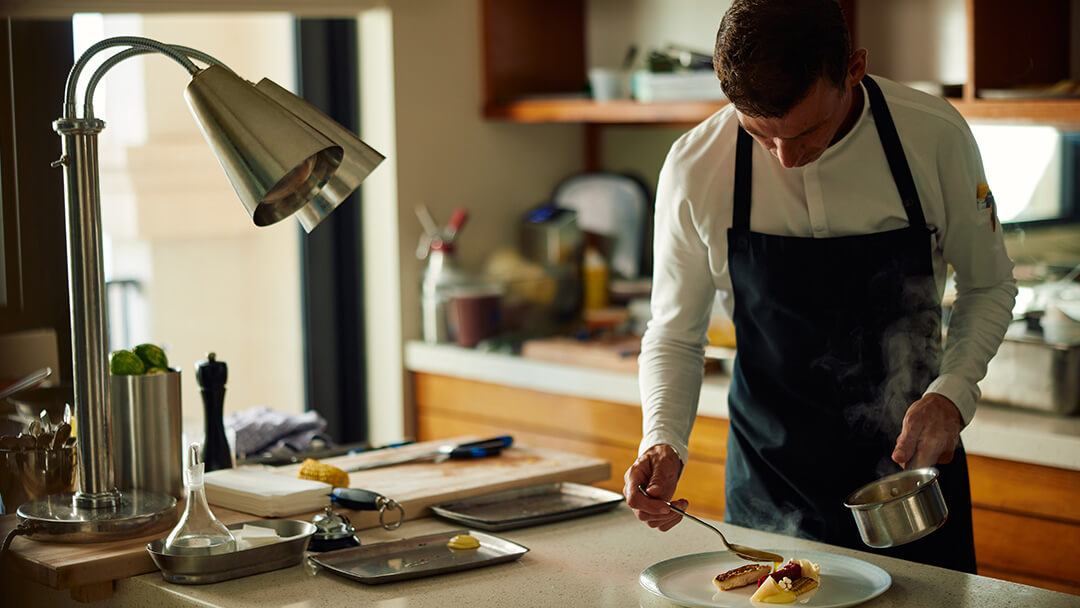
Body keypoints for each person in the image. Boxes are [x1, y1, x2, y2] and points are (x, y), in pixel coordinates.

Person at [623, 0, 1017, 573]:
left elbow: (990, 284)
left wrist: (954, 393)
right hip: (768, 483)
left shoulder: (932, 135)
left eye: (807, 130)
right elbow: (674, 334)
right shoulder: (695, 166)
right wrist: (661, 440)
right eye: (759, 135)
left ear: (854, 68)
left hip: (912, 478)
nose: (786, 159)